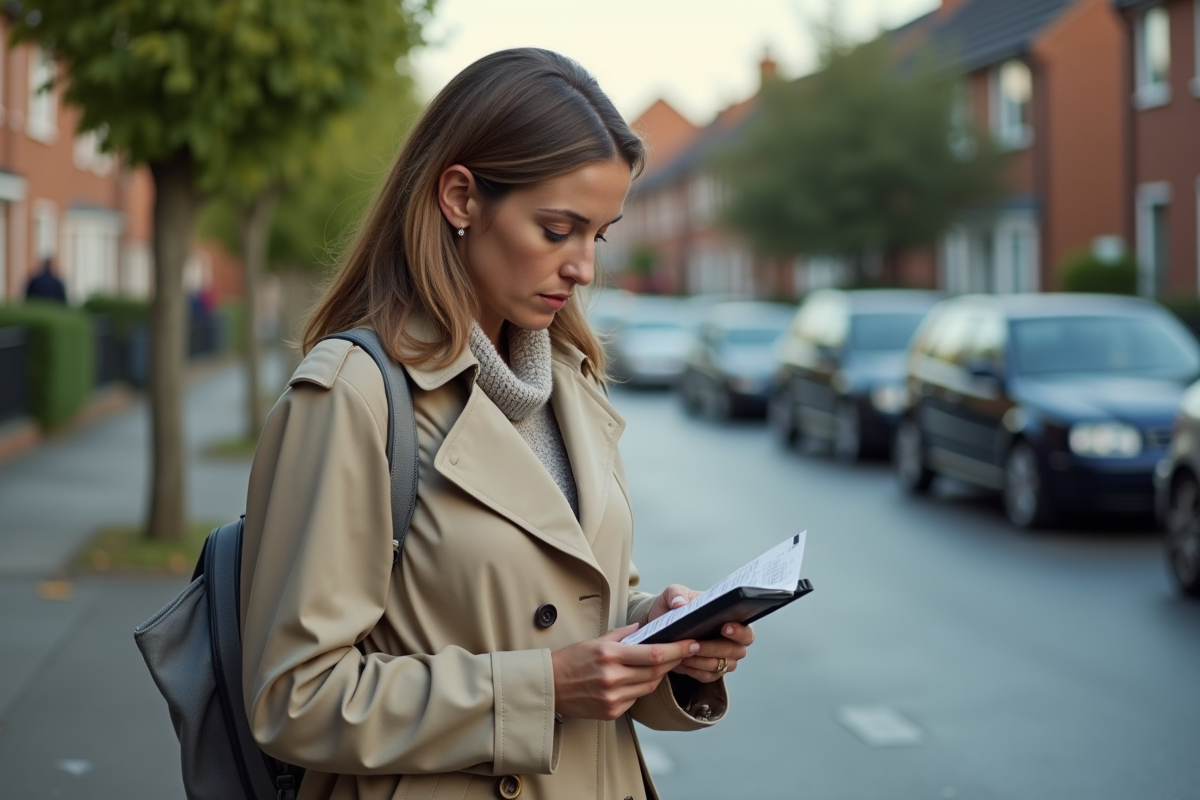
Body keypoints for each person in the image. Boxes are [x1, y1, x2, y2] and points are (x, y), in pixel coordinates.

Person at [239, 48, 755, 800]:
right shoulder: (354, 395)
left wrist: (661, 635)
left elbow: (575, 610)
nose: (583, 267)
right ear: (460, 198)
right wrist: (544, 688)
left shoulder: (572, 380)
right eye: (557, 229)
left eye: (597, 235)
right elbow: (293, 698)